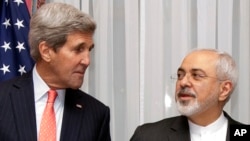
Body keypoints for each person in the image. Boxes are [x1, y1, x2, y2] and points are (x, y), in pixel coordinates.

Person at [0, 3, 111, 141]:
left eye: (89, 50)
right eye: (78, 49)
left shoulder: (96, 114)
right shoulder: (3, 99)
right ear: (46, 51)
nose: (87, 61)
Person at [130, 48, 245, 141]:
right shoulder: (147, 136)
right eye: (180, 75)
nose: (183, 82)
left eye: (197, 75)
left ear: (224, 89)